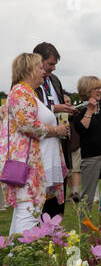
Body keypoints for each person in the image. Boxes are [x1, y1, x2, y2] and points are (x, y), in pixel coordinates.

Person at [0, 53, 69, 235]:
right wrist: (56, 131)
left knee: (27, 212)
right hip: (29, 166)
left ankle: (13, 258)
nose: (43, 72)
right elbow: (27, 124)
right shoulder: (20, 92)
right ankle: (22, 255)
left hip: (36, 164)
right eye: (39, 68)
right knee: (28, 212)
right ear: (29, 70)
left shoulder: (27, 93)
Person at [33, 42, 77, 218]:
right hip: (41, 148)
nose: (53, 68)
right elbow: (35, 111)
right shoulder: (29, 82)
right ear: (38, 60)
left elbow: (55, 101)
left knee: (57, 202)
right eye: (50, 64)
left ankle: (55, 237)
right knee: (40, 202)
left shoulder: (54, 80)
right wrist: (57, 108)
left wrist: (65, 103)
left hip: (59, 147)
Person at [72, 76, 101, 225]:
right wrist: (90, 110)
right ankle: (85, 230)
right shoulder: (78, 111)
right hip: (90, 158)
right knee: (87, 196)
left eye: (100, 87)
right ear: (87, 91)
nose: (100, 91)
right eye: (96, 88)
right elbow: (82, 129)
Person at [64, 95, 81, 203]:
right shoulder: (58, 114)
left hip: (76, 145)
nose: (66, 103)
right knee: (67, 171)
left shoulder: (76, 113)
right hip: (64, 146)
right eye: (64, 101)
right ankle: (70, 194)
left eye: (68, 101)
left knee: (76, 169)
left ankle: (76, 193)